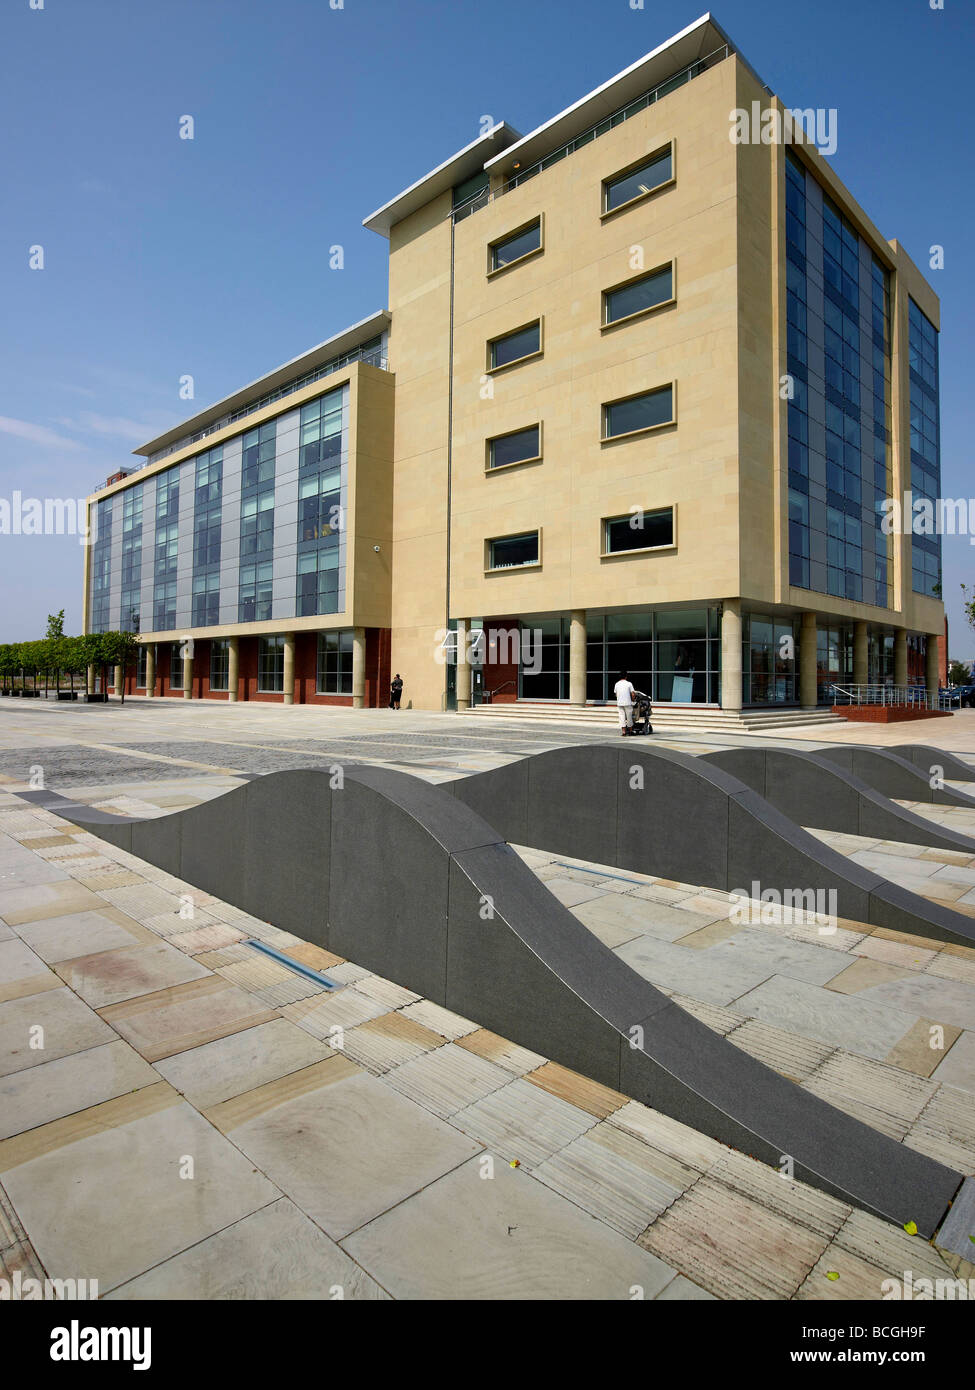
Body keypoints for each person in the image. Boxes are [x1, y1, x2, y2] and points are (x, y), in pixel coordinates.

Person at [613, 669, 636, 736]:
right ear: (626, 676)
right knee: (629, 717)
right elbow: (633, 694)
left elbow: (616, 694)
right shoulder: (629, 683)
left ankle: (623, 732)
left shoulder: (617, 684)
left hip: (620, 703)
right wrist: (633, 700)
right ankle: (631, 731)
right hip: (627, 702)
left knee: (621, 717)